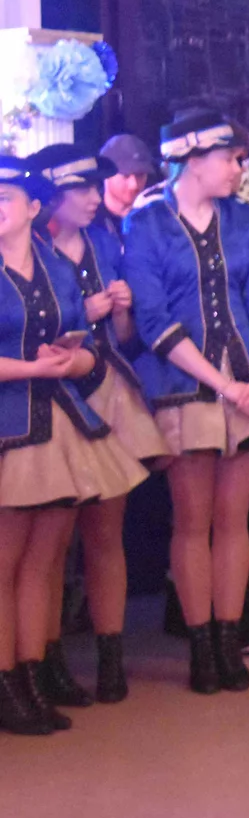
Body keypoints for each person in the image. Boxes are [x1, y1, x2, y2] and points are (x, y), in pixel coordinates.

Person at [121, 109, 249, 694]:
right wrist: (226, 384)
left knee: (235, 520)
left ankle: (230, 641)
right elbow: (153, 319)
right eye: (230, 158)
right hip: (186, 386)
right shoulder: (147, 223)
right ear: (193, 160)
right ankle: (201, 646)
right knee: (193, 521)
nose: (238, 169)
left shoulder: (241, 218)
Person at [0, 157, 145, 734]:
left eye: (5, 199)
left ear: (33, 209)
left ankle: (32, 677)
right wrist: (33, 369)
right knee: (5, 566)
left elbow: (85, 351)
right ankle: (7, 683)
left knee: (41, 565)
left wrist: (72, 360)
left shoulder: (56, 267)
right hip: (10, 426)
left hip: (58, 422)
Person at [22, 143, 167, 707]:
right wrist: (86, 312)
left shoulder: (106, 242)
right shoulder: (27, 250)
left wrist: (121, 310)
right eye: (80, 188)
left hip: (106, 391)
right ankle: (47, 659)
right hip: (47, 396)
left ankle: (110, 658)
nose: (92, 197)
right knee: (49, 545)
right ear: (48, 197)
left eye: (93, 187)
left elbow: (124, 338)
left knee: (107, 533)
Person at [99, 133, 158, 225]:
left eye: (140, 175)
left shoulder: (157, 216)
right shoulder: (87, 220)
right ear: (106, 173)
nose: (134, 185)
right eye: (125, 175)